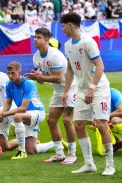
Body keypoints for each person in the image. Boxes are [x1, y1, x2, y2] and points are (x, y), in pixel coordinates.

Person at [60, 12, 115, 175]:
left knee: (102, 124)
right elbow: (70, 70)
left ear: (70, 25)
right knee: (78, 124)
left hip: (98, 88)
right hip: (82, 90)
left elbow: (100, 66)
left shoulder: (88, 42)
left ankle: (110, 165)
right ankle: (89, 163)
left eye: (63, 26)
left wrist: (91, 88)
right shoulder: (68, 45)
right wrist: (66, 91)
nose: (62, 29)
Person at [24, 28, 78, 165]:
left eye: (38, 37)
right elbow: (43, 80)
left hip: (70, 89)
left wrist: (40, 77)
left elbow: (59, 78)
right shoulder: (36, 57)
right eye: (34, 37)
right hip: (58, 91)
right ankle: (59, 153)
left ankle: (72, 154)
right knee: (51, 121)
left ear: (46, 40)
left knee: (67, 121)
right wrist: (37, 78)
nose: (35, 39)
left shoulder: (55, 55)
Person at [0, 61, 53, 159]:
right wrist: (1, 113)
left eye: (13, 73)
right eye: (9, 73)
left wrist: (4, 114)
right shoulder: (9, 84)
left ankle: (21, 151)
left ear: (19, 72)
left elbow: (23, 108)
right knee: (32, 150)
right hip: (24, 115)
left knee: (17, 116)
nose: (10, 76)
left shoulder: (28, 83)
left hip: (37, 113)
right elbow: (8, 103)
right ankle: (56, 143)